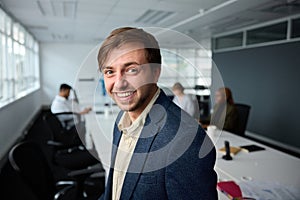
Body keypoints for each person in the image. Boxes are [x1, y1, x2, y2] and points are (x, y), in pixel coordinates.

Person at [97, 27, 217, 200]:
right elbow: (116, 189)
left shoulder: (184, 141)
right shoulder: (121, 121)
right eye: (110, 72)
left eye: (132, 70)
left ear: (155, 72)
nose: (119, 83)